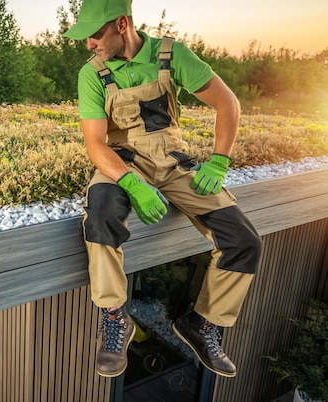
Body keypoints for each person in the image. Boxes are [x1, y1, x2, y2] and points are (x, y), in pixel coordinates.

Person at [63, 0, 263, 378]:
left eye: (94, 34)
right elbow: (96, 144)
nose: (88, 44)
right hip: (121, 163)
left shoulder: (172, 54)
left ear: (121, 24)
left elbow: (227, 102)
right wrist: (132, 184)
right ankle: (114, 317)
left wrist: (220, 160)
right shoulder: (92, 74)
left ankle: (202, 324)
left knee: (244, 241)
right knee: (101, 213)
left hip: (173, 162)